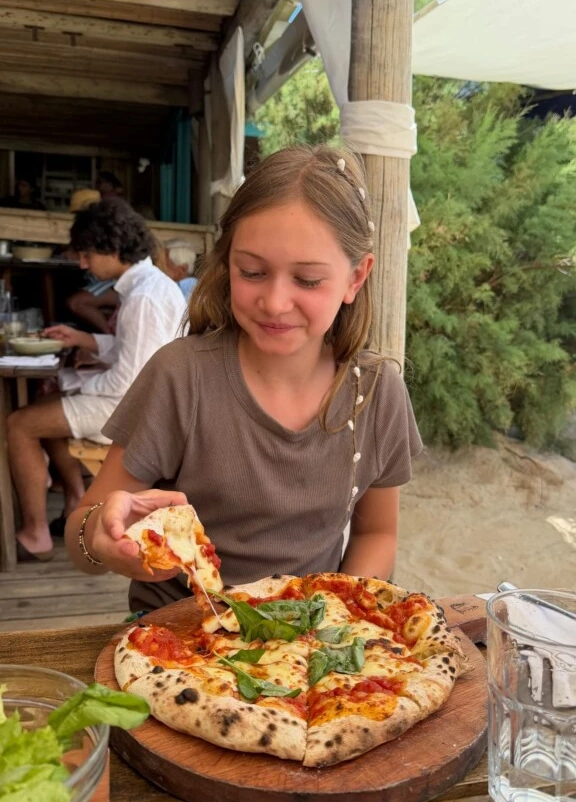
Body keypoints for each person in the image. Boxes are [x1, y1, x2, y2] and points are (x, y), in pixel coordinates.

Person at [64, 146, 422, 612]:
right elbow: (80, 536)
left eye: (308, 280)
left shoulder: (375, 392)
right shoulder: (182, 376)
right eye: (252, 272)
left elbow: (378, 532)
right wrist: (102, 539)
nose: (274, 302)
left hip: (308, 643)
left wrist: (335, 613)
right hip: (174, 638)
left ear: (356, 277)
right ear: (227, 263)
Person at [7, 198, 187, 562]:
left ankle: (35, 534)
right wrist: (81, 340)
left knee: (20, 424)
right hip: (133, 400)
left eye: (88, 254)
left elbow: (129, 382)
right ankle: (76, 499)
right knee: (48, 408)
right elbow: (131, 349)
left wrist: (75, 382)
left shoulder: (145, 298)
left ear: (115, 247)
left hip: (133, 413)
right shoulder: (146, 287)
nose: (82, 263)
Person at [66, 189, 119, 333]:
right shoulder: (84, 230)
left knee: (76, 302)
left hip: (111, 285)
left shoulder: (102, 228)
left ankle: (109, 335)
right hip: (99, 282)